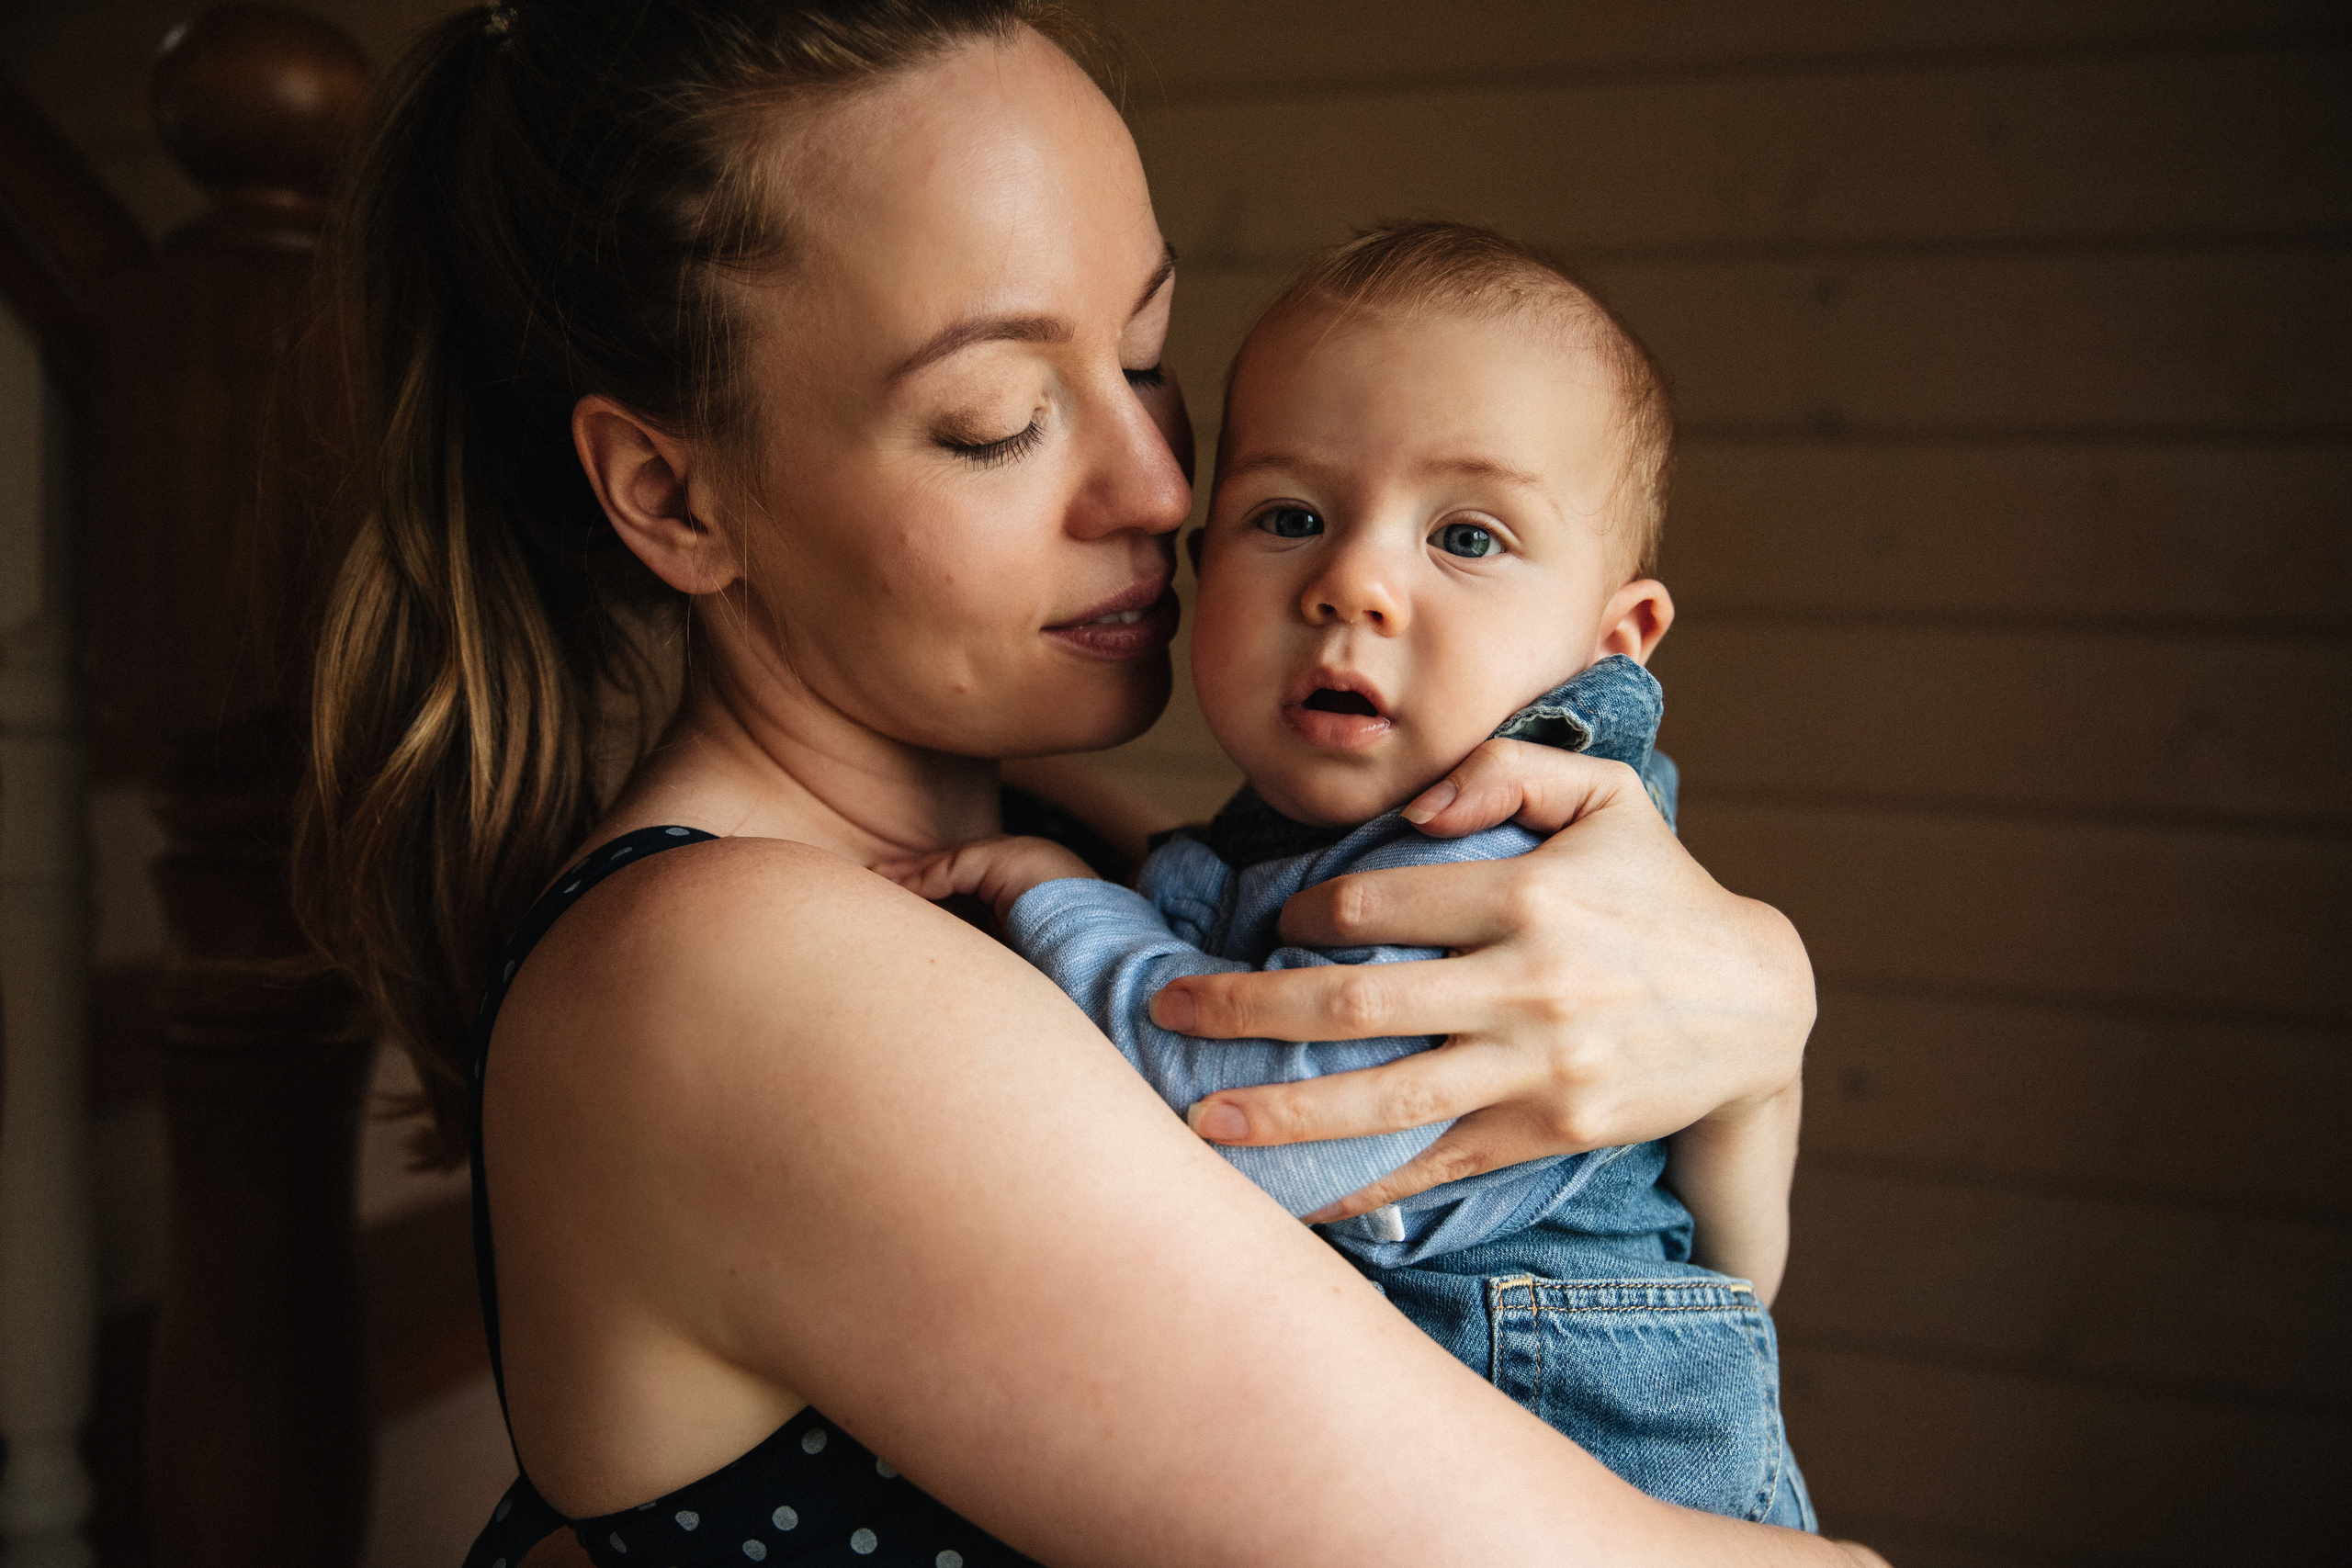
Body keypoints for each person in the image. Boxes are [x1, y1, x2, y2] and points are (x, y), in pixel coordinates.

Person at [295, 3, 1879, 1563]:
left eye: (1144, 352)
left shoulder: (1079, 853)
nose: (1163, 487)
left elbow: (1628, 1329)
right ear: (670, 491)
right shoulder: (738, 977)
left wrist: (1756, 1019)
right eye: (998, 422)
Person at [893, 220, 1812, 1528]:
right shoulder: (1274, 842)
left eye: (1471, 538)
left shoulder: (1498, 852)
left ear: (1615, 639)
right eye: (1291, 516)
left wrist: (1061, 902)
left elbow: (1264, 1125)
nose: (1353, 582)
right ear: (1206, 569)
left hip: (1597, 1471)